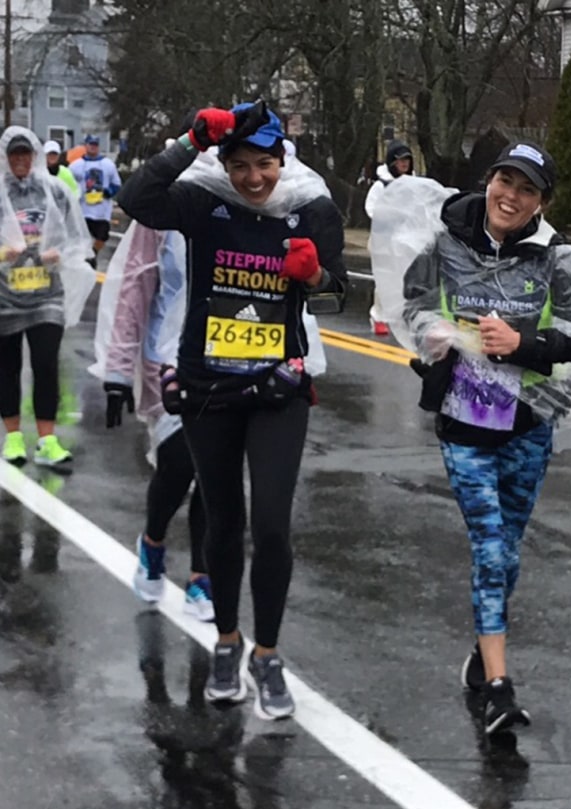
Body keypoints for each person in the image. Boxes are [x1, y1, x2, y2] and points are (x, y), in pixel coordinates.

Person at [378, 141, 571, 737]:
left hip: (530, 424)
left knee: (509, 548)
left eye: (527, 189)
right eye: (505, 181)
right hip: (464, 419)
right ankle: (500, 690)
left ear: (541, 203)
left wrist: (525, 345)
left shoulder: (555, 259)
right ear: (489, 182)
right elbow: (416, 301)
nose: (511, 196)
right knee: (489, 545)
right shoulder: (446, 240)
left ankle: (485, 653)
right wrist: (433, 332)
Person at [117, 101, 347, 718]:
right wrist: (190, 141)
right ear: (224, 164)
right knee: (222, 522)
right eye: (240, 165)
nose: (253, 179)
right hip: (208, 388)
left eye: (265, 165)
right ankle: (226, 640)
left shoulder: (309, 206)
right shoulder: (202, 201)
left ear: (283, 160)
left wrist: (317, 275)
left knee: (271, 525)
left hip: (278, 388)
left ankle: (266, 654)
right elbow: (138, 197)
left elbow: (338, 290)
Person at [89, 213, 215, 622]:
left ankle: (202, 575)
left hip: (230, 358)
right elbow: (134, 287)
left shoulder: (255, 187)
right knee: (180, 462)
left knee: (215, 470)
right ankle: (153, 539)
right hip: (167, 358)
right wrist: (117, 372)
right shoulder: (168, 200)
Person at [0, 127, 95, 468]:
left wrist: (61, 253)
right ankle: (12, 439)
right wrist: (3, 254)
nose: (21, 160)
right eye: (15, 155)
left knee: (45, 365)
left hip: (46, 296)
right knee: (7, 368)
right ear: (6, 158)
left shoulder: (54, 190)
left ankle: (47, 440)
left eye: (26, 154)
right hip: (5, 297)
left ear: (36, 155)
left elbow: (76, 237)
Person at [364, 139, 415, 336]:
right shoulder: (381, 186)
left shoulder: (413, 184)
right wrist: (389, 216)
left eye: (407, 160)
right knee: (384, 280)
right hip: (384, 240)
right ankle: (378, 316)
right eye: (400, 160)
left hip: (406, 240)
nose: (404, 164)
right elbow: (371, 208)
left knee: (404, 280)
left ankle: (398, 317)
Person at [68, 134, 122, 264]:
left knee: (102, 236)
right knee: (81, 237)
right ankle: (83, 260)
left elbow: (116, 184)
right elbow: (68, 183)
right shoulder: (75, 166)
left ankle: (93, 253)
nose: (93, 147)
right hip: (83, 210)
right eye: (90, 144)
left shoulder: (108, 164)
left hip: (101, 211)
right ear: (85, 146)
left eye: (95, 145)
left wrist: (108, 192)